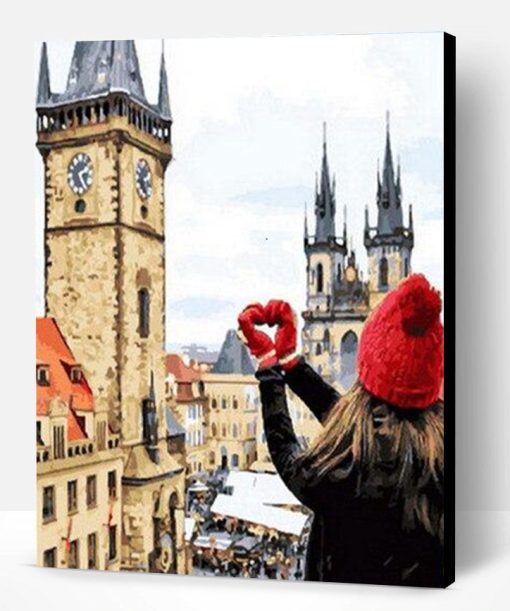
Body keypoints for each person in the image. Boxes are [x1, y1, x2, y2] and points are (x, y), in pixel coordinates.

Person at [238, 274, 444, 587]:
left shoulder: (355, 472)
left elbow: (291, 460)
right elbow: (353, 424)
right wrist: (294, 366)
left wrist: (269, 371)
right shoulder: (440, 444)